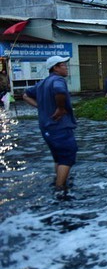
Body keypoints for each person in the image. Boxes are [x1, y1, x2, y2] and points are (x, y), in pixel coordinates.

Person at [23, 55, 77, 194]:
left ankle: (59, 182)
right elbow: (59, 90)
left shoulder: (42, 83)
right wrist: (60, 107)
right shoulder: (58, 80)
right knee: (67, 157)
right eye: (64, 65)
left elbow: (25, 95)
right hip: (60, 126)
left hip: (46, 128)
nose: (66, 68)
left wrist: (40, 107)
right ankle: (60, 189)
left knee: (58, 157)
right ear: (56, 67)